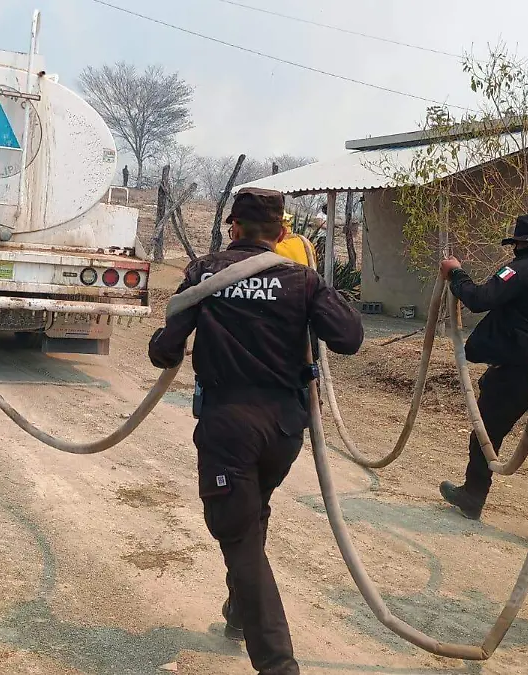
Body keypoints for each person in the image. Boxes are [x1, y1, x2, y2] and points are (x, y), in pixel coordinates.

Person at [149, 187, 364, 675]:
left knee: (240, 536)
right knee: (250, 517)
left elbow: (166, 349)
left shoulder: (206, 273)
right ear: (283, 232)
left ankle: (278, 665)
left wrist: (165, 344)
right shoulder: (301, 279)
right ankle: (238, 614)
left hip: (229, 428)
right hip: (285, 429)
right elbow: (349, 338)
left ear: (234, 228)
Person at [437, 214, 528, 535]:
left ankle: (473, 495)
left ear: (523, 244)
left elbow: (480, 298)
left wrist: (456, 274)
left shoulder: (522, 269)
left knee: (486, 431)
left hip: (520, 369)